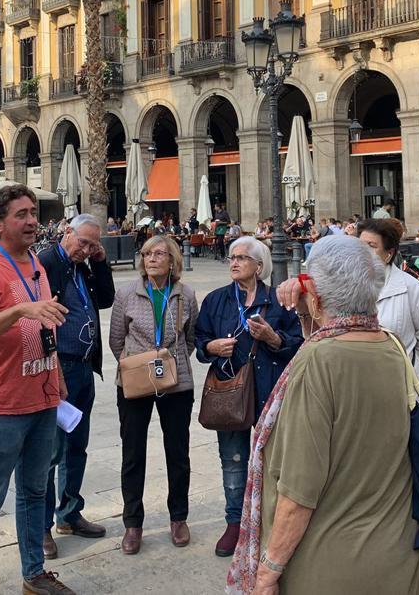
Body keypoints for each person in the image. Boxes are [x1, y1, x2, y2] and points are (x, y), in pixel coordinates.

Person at [228, 235, 419, 594]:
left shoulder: (317, 362)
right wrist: (306, 309)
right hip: (398, 552)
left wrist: (266, 572)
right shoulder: (389, 346)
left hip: (330, 561)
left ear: (317, 296)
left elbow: (299, 490)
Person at [0, 184, 75, 595]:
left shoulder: (38, 266)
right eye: (21, 214)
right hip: (2, 404)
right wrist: (21, 309)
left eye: (33, 213)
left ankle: (34, 575)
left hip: (43, 398)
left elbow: (46, 324)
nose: (32, 220)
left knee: (34, 490)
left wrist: (57, 376)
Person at [195, 236, 302, 557]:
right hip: (230, 390)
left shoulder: (278, 301)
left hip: (269, 390)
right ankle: (234, 523)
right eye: (232, 257)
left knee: (272, 460)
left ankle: (270, 521)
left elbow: (299, 343)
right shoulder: (216, 300)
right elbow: (199, 339)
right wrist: (211, 347)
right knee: (233, 459)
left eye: (242, 257)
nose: (235, 262)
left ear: (259, 266)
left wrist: (274, 337)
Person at [108, 235, 199, 556]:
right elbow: (116, 340)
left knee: (178, 452)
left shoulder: (184, 295)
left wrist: (168, 362)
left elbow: (189, 339)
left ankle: (178, 518)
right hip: (134, 382)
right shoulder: (126, 294)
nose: (151, 258)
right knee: (133, 453)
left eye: (159, 253)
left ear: (173, 259)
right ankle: (133, 524)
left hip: (176, 383)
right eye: (147, 253)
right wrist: (139, 362)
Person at [36, 214, 116, 559]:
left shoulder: (82, 265)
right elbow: (38, 318)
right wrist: (51, 368)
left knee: (76, 446)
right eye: (82, 242)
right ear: (66, 231)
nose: (86, 249)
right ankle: (41, 528)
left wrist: (100, 262)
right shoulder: (47, 263)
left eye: (92, 245)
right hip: (58, 366)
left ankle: (69, 513)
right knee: (50, 452)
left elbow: (106, 299)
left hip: (83, 367)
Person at [355, 219, 419, 381]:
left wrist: (407, 360)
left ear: (388, 254)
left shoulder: (410, 287)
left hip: (399, 381)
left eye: (371, 246)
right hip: (358, 381)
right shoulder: (345, 286)